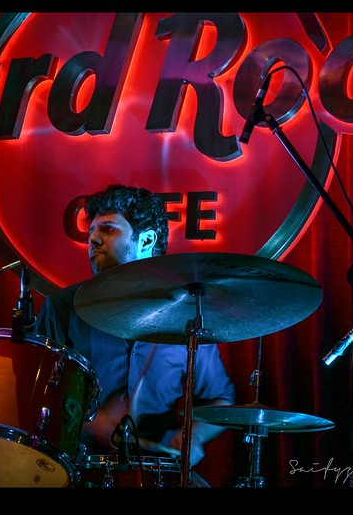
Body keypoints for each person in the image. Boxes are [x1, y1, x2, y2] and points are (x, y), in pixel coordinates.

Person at [34, 184, 235, 482]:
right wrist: (90, 423)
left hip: (156, 470)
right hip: (78, 469)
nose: (92, 239)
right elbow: (36, 396)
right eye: (92, 230)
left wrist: (193, 436)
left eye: (108, 229)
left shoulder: (186, 315)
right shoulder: (63, 308)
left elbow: (220, 399)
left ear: (147, 240)